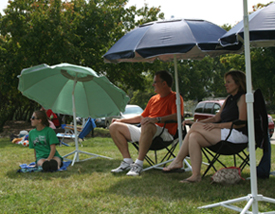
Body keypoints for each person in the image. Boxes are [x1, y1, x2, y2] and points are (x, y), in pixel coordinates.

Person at [163, 70, 248, 183]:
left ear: (238, 83)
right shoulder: (229, 99)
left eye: (228, 82)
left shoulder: (243, 97)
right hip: (225, 133)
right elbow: (216, 118)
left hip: (237, 135)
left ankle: (178, 160)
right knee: (194, 136)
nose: (225, 84)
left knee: (195, 129)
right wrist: (196, 123)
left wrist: (217, 126)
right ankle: (195, 175)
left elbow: (241, 123)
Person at [109, 70, 184, 176]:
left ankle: (138, 165)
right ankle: (127, 161)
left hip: (164, 133)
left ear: (164, 83)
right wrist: (120, 120)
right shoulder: (153, 99)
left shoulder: (175, 98)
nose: (153, 84)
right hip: (146, 129)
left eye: (155, 82)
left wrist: (157, 119)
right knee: (114, 126)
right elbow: (141, 117)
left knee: (148, 124)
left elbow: (178, 116)